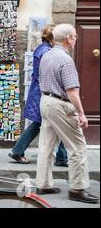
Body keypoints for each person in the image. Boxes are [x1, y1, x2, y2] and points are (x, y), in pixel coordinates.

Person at [35, 23, 98, 204]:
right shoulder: (66, 60)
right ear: (69, 39)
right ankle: (78, 188)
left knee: (46, 146)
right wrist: (81, 114)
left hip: (45, 101)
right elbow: (72, 92)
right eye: (75, 36)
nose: (76, 39)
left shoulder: (47, 55)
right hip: (60, 104)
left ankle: (43, 184)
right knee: (77, 147)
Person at [9, 26, 68, 166]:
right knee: (60, 122)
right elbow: (49, 74)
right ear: (53, 39)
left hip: (39, 90)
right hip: (44, 91)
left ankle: (18, 151)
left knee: (40, 122)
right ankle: (60, 157)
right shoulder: (48, 52)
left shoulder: (41, 48)